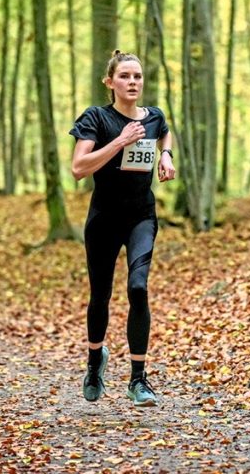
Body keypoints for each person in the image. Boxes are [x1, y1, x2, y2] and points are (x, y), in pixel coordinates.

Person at [69, 50, 176, 407]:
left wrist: (166, 155)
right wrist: (119, 142)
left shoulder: (154, 116)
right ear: (110, 82)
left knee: (138, 287)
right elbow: (78, 168)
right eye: (126, 76)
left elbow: (165, 132)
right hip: (103, 219)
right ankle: (95, 360)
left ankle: (138, 380)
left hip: (141, 216)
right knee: (100, 295)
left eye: (138, 76)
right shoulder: (96, 118)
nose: (133, 82)